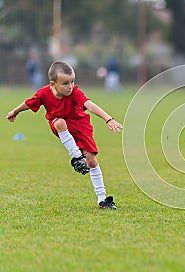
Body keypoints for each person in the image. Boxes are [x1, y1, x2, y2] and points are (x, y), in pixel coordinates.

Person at [6, 61, 123, 209]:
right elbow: (28, 103)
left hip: (81, 126)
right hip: (60, 125)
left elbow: (90, 105)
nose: (70, 86)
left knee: (92, 161)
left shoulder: (75, 93)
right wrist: (15, 111)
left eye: (72, 82)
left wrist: (108, 119)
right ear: (53, 84)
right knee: (59, 122)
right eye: (65, 83)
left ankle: (102, 199)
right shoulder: (43, 93)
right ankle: (76, 156)